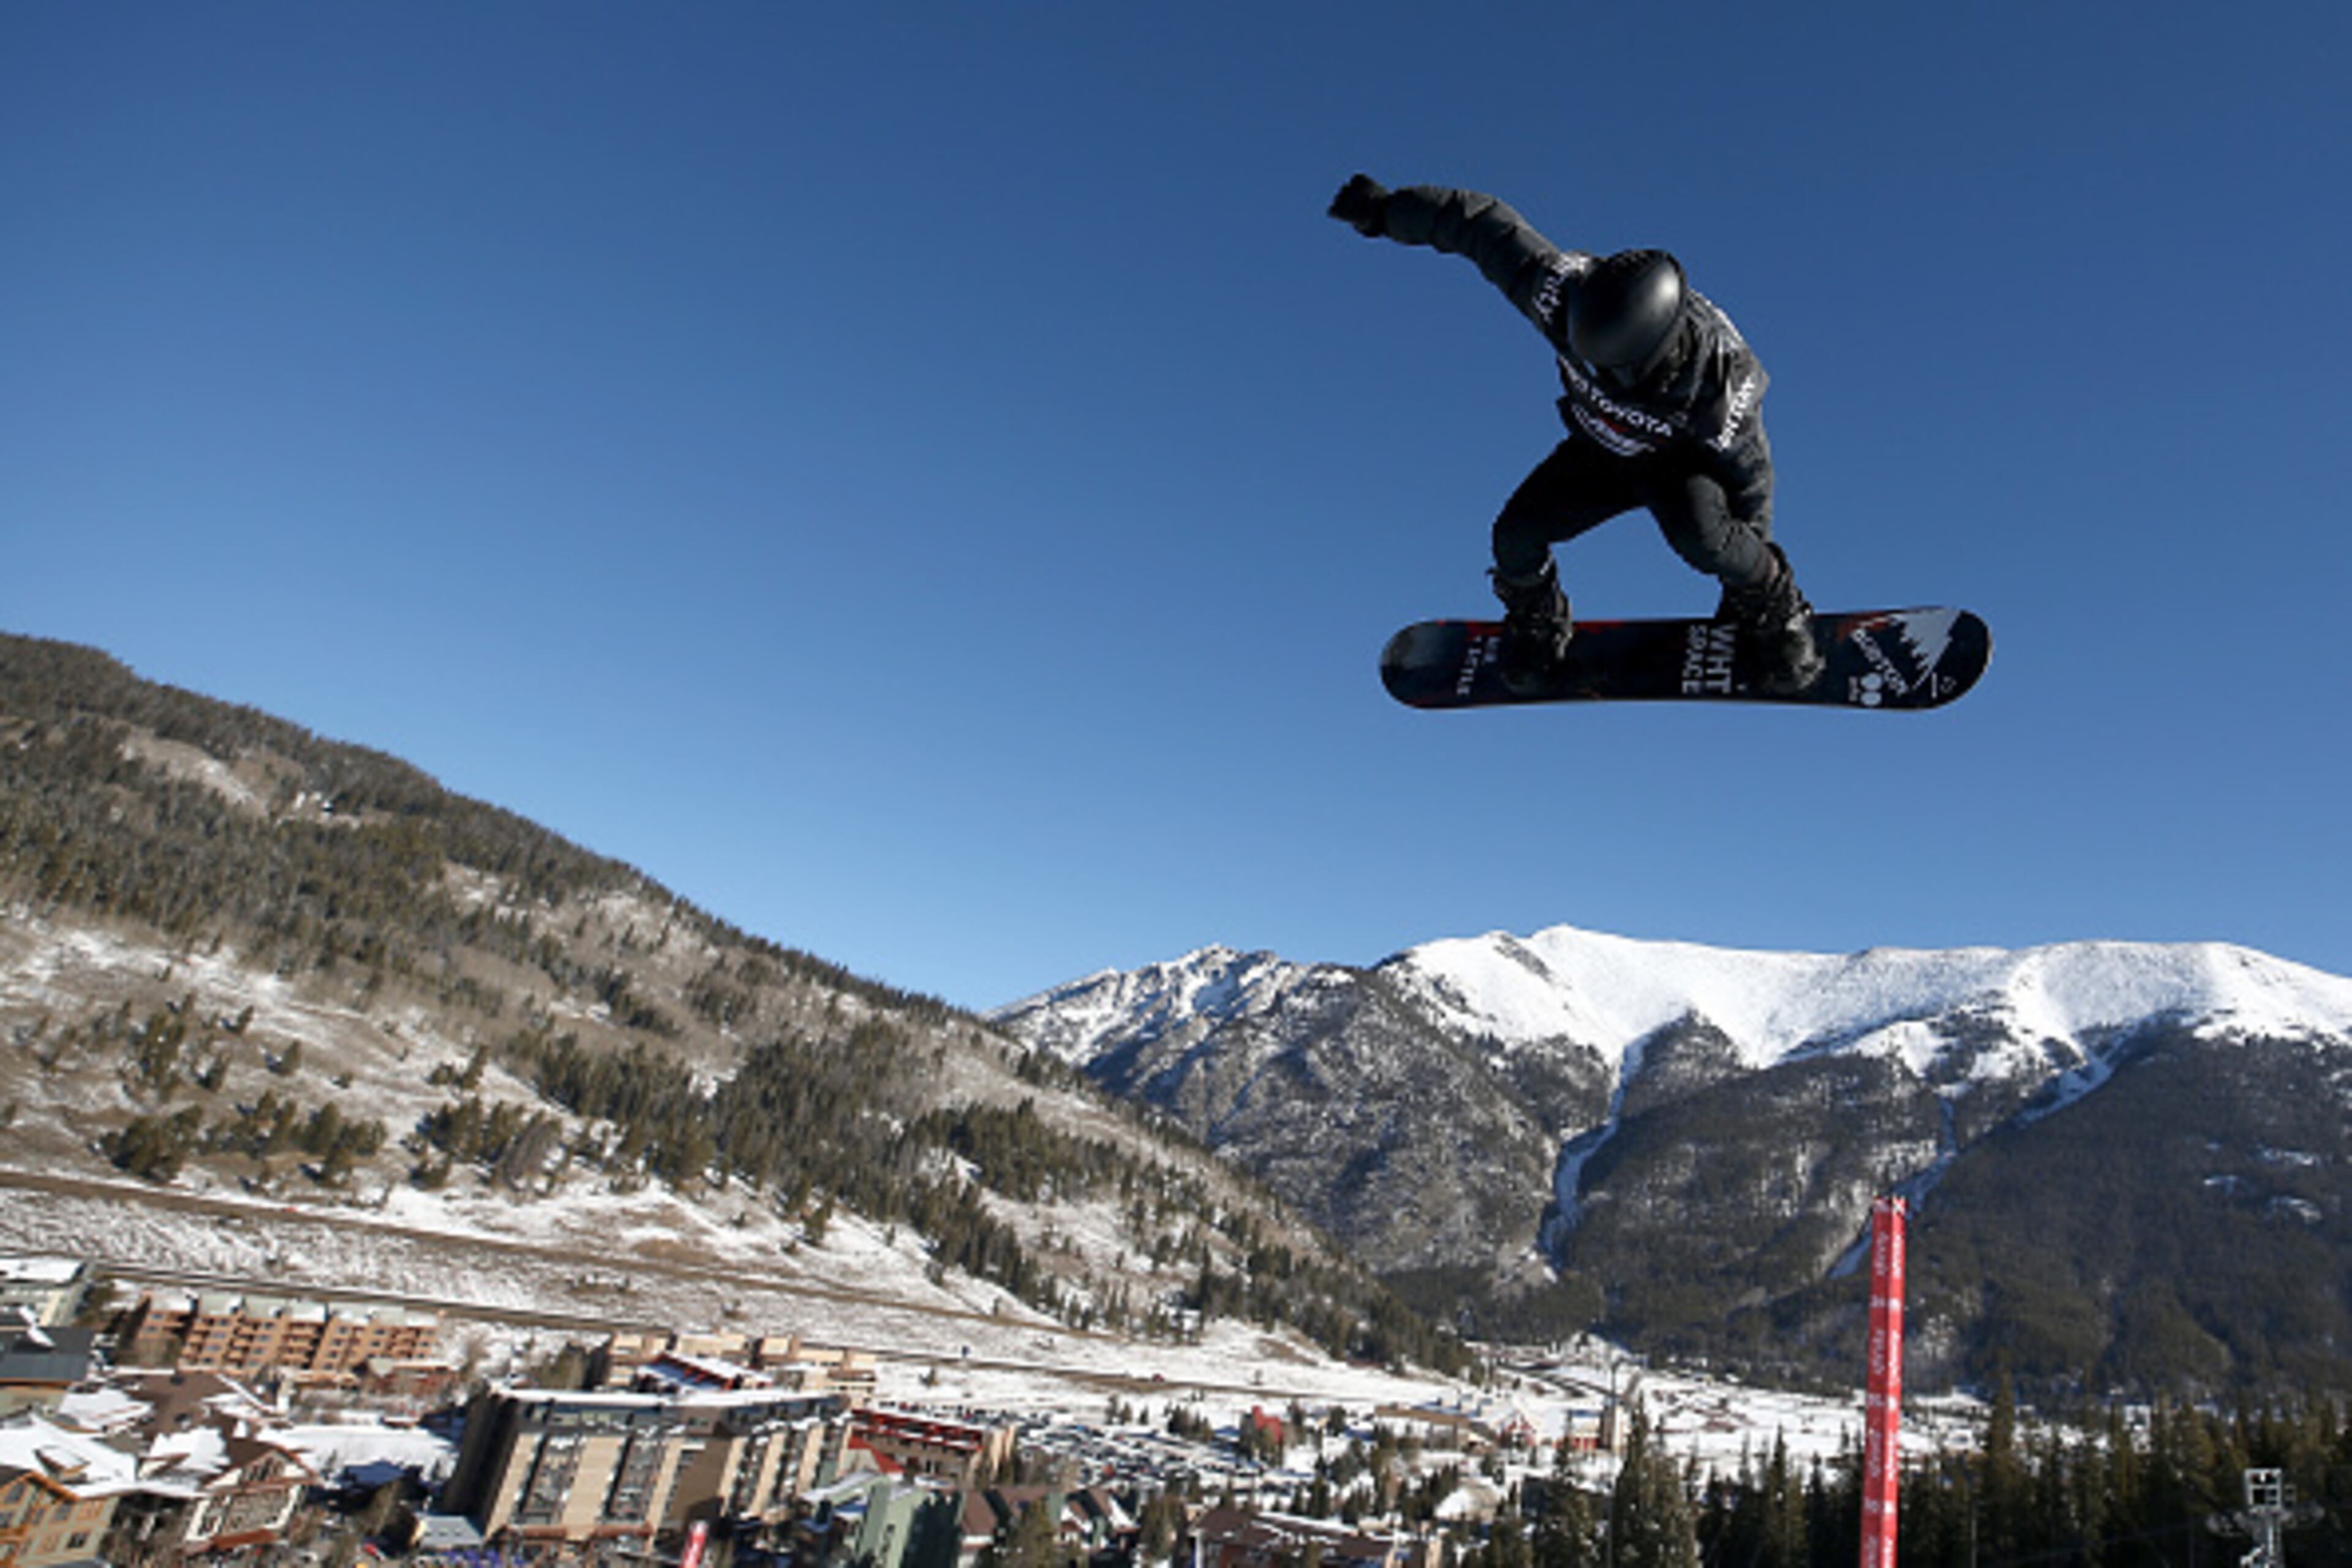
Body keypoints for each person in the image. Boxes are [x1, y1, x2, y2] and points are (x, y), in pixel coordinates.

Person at [1329, 175, 1824, 695]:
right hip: (1599, 452)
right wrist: (1385, 211)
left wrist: (1744, 579)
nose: (1606, 377)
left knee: (1705, 539)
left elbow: (1750, 476)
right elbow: (1476, 225)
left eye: (1623, 371)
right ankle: (1538, 623)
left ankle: (1778, 608)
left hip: (1676, 467)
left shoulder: (1722, 384)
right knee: (1514, 538)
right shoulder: (1556, 293)